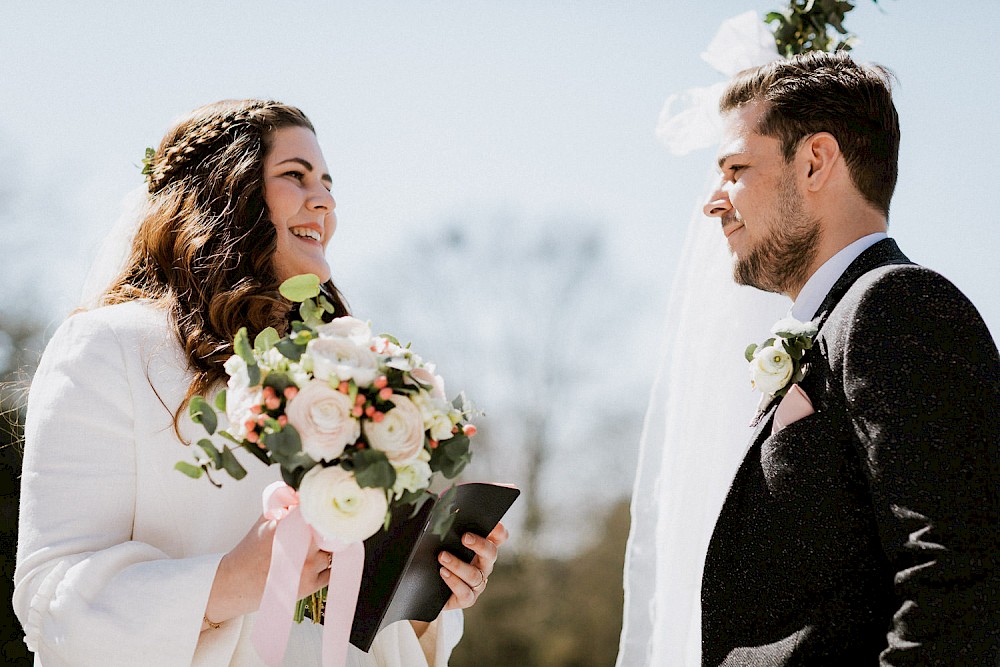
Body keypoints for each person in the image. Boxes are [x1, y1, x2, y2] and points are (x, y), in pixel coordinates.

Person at [13, 99, 506, 666]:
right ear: (227, 191)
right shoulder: (110, 348)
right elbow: (51, 598)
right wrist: (229, 583)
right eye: (295, 176)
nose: (325, 200)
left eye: (326, 181)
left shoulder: (351, 366)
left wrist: (425, 597)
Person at [697, 51, 998, 664]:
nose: (714, 200)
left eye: (735, 168)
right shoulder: (831, 325)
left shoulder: (898, 304)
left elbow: (960, 570)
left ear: (814, 162)